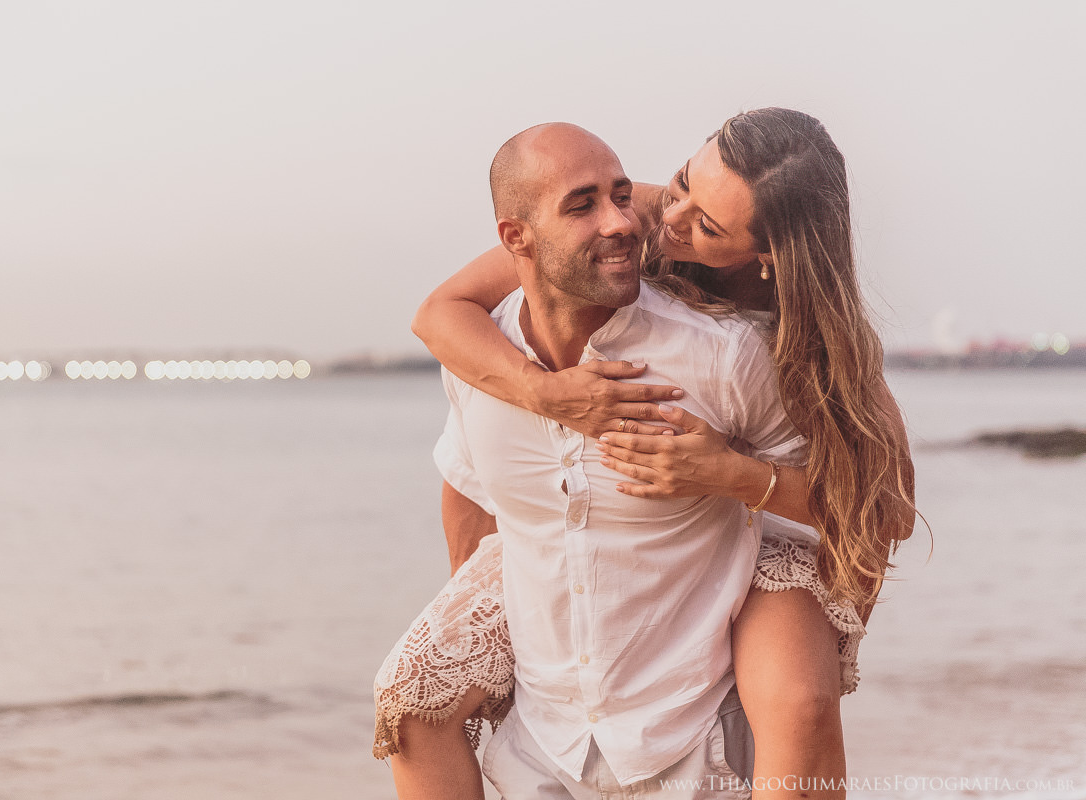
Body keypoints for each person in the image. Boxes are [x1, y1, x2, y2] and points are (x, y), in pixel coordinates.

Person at [376, 109, 917, 799]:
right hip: (603, 492)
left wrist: (732, 474)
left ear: (769, 256)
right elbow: (440, 313)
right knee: (410, 690)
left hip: (769, 503)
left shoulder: (799, 337)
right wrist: (547, 396)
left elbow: (885, 508)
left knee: (797, 702)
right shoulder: (644, 214)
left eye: (709, 227)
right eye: (682, 183)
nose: (663, 223)